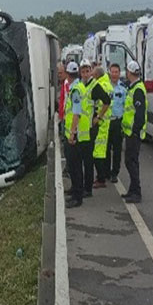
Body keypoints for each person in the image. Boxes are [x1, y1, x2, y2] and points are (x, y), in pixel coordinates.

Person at [80, 60, 110, 196]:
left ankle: (88, 189)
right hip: (82, 127)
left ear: (91, 71)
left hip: (91, 128)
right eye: (83, 71)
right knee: (83, 158)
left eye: (87, 71)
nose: (86, 74)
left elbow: (107, 101)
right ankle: (84, 186)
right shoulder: (81, 85)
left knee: (88, 159)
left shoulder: (95, 86)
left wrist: (98, 117)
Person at [64, 61, 92, 208]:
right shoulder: (80, 87)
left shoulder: (75, 90)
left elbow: (76, 113)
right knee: (76, 166)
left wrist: (72, 133)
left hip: (77, 134)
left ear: (68, 75)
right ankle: (76, 192)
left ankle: (77, 197)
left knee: (75, 167)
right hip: (81, 133)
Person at [121, 61, 147, 203]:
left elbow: (139, 114)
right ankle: (132, 190)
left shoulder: (137, 90)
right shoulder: (133, 88)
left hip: (134, 133)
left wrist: (135, 131)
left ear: (130, 73)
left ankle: (136, 192)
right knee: (130, 161)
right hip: (130, 132)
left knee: (131, 162)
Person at [90, 66, 113, 188]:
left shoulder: (100, 85)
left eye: (93, 74)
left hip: (101, 122)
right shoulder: (107, 84)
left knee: (98, 152)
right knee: (103, 151)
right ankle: (104, 175)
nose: (92, 76)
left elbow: (104, 103)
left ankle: (101, 178)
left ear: (97, 75)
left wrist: (97, 117)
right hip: (106, 121)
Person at [107, 64, 127, 183]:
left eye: (116, 72)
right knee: (106, 149)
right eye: (112, 72)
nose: (114, 74)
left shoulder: (123, 88)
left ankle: (115, 172)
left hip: (118, 122)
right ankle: (106, 171)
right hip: (107, 121)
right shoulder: (105, 87)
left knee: (117, 149)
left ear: (119, 74)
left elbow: (126, 106)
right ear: (109, 73)